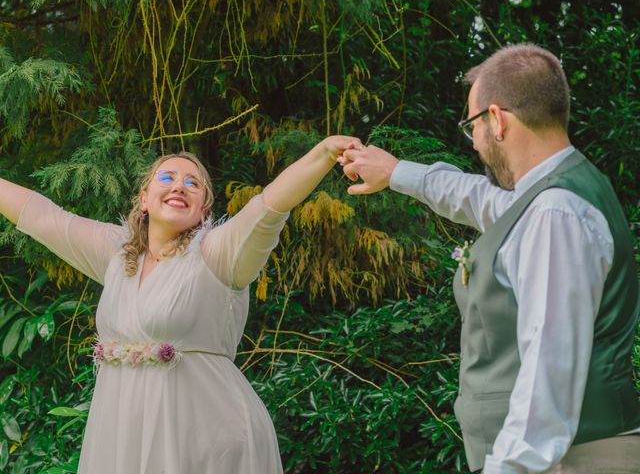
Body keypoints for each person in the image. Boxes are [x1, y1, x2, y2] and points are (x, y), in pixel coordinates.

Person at [338, 43, 640, 473]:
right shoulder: (550, 196)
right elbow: (480, 199)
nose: (475, 142)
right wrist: (396, 172)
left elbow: (548, 364)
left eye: (471, 125)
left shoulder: (555, 212)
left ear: (496, 120)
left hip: (570, 460)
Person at [0, 135, 360, 473]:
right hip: (121, 439)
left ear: (204, 209)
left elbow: (268, 207)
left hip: (206, 441)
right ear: (143, 198)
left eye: (193, 183)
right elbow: (44, 218)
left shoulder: (218, 254)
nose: (179, 186)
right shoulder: (117, 251)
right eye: (168, 177)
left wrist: (324, 153)